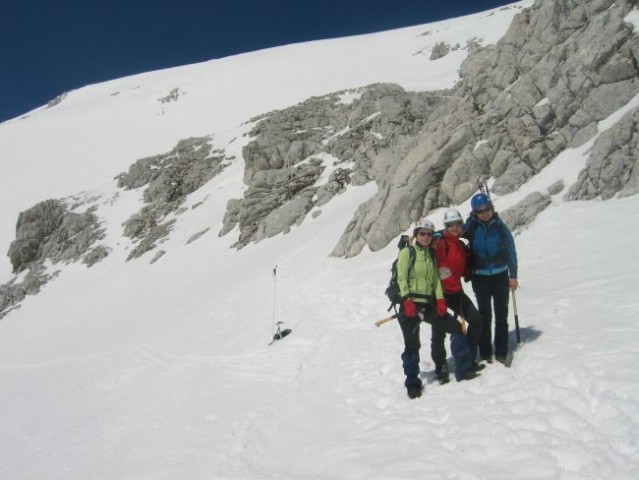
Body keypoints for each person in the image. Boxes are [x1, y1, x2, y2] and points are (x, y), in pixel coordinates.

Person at [396, 219, 478, 399]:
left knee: (457, 328)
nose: (425, 237)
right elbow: (401, 278)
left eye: (428, 234)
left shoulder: (430, 255)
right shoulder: (407, 252)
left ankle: (464, 369)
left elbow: (435, 281)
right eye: (422, 233)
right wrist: (407, 300)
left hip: (428, 304)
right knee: (412, 346)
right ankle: (412, 384)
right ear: (416, 235)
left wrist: (440, 299)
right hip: (409, 306)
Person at [465, 193, 518, 365]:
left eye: (487, 209)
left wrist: (513, 275)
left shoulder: (500, 226)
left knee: (501, 314)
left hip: (500, 275)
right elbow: (452, 232)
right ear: (474, 213)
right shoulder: (471, 227)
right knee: (484, 315)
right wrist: (434, 236)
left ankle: (501, 351)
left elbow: (511, 249)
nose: (484, 213)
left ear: (491, 208)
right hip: (480, 278)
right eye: (480, 211)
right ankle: (486, 351)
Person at [434, 208, 484, 371]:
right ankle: (458, 362)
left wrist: (469, 273)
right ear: (446, 227)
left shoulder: (461, 245)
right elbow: (442, 268)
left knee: (476, 320)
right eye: (451, 225)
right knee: (449, 328)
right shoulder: (442, 244)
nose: (455, 228)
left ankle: (468, 357)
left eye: (457, 224)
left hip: (456, 291)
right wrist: (452, 287)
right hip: (444, 293)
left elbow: (460, 267)